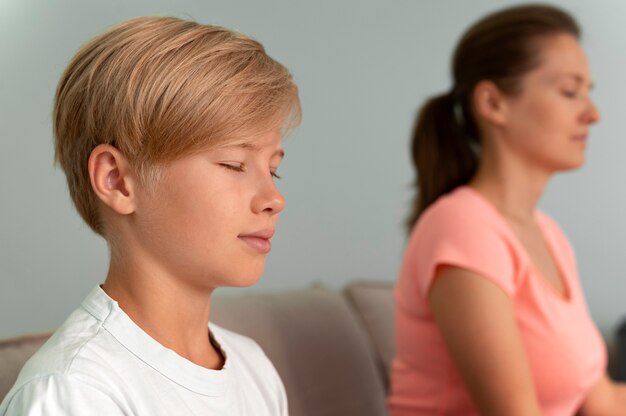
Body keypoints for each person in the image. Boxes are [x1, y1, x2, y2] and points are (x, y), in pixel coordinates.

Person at [0, 16, 300, 415]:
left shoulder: (254, 368)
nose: (273, 198)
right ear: (117, 181)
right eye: (233, 164)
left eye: (273, 169)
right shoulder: (75, 391)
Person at [389, 4, 626, 415]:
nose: (593, 113)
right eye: (570, 91)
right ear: (493, 102)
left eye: (589, 91)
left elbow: (603, 400)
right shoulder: (462, 228)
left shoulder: (547, 234)